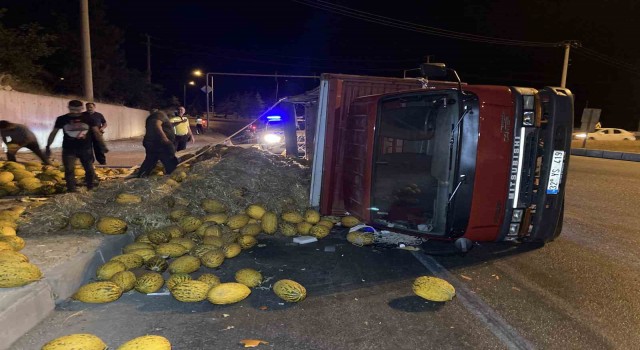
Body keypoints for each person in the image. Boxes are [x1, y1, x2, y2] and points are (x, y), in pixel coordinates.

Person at [45, 100, 108, 192]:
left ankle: (90, 187)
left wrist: (102, 145)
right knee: (69, 170)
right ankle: (72, 190)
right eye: (72, 110)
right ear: (69, 108)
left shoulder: (89, 119)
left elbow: (96, 133)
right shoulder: (62, 119)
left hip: (85, 149)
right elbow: (53, 133)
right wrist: (48, 146)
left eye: (77, 110)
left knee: (89, 169)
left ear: (81, 109)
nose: (75, 112)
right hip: (69, 149)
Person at [137, 110, 178, 177]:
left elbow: (166, 125)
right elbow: (157, 124)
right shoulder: (160, 114)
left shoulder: (156, 116)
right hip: (159, 143)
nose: (174, 114)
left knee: (151, 160)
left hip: (154, 142)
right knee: (169, 159)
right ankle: (172, 175)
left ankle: (142, 175)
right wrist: (165, 139)